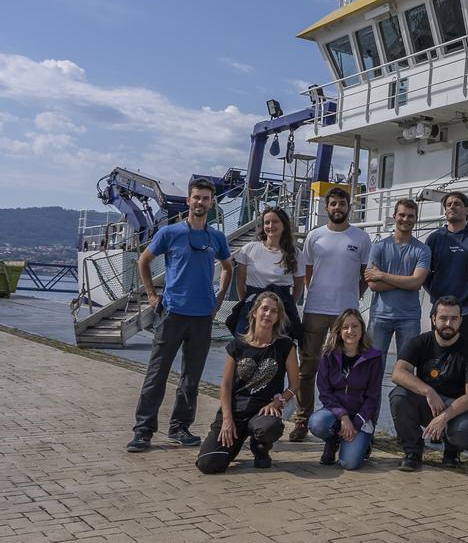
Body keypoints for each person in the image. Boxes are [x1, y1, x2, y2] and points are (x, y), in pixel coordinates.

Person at [127, 178, 233, 453]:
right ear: (188, 200)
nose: (200, 202)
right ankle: (143, 431)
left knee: (191, 378)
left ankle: (179, 427)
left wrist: (218, 299)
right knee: (156, 374)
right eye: (196, 197)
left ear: (211, 203)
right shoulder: (170, 233)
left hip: (202, 318)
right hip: (172, 313)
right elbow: (144, 261)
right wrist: (151, 295)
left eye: (206, 198)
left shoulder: (216, 238)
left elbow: (228, 268)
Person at [290, 187, 372, 442]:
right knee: (308, 367)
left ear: (349, 206)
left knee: (344, 368)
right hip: (316, 308)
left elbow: (364, 276)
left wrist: (350, 298)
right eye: (333, 204)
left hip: (345, 313)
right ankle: (302, 420)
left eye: (342, 204)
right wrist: (319, 292)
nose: (337, 208)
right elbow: (308, 273)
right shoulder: (315, 237)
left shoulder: (361, 238)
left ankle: (344, 418)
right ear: (326, 208)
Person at [196, 292, 299, 473]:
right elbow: (226, 386)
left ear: (278, 317)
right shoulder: (237, 345)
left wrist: (278, 401)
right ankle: (232, 445)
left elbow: (294, 386)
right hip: (235, 413)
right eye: (264, 309)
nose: (268, 314)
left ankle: (260, 448)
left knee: (270, 427)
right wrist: (227, 419)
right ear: (254, 313)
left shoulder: (285, 346)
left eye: (273, 311)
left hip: (262, 412)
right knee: (208, 464)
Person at [388, 296, 468, 471]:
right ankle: (413, 452)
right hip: (428, 404)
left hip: (456, 409)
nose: (448, 323)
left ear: (461, 320)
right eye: (443, 318)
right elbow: (398, 373)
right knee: (398, 396)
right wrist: (428, 391)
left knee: (467, 430)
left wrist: (445, 416)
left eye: (454, 318)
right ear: (433, 319)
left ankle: (452, 451)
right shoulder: (420, 342)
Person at [311, 308, 383, 470]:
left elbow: (373, 396)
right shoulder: (328, 355)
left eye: (355, 326)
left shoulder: (374, 357)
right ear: (338, 331)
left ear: (362, 329)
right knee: (317, 423)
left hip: (360, 415)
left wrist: (356, 423)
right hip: (335, 412)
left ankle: (364, 442)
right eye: (345, 327)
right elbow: (324, 392)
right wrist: (343, 416)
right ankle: (333, 441)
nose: (350, 331)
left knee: (349, 464)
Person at [365, 198, 431, 366]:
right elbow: (373, 285)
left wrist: (382, 275)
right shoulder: (378, 247)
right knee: (373, 368)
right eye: (402, 215)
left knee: (407, 369)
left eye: (410, 216)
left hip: (409, 317)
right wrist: (406, 281)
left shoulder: (422, 250)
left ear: (416, 219)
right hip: (380, 316)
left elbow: (416, 283)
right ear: (394, 216)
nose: (406, 219)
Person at [228, 206, 304, 339]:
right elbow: (240, 282)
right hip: (253, 305)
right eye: (267, 222)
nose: (271, 226)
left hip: (281, 307)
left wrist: (286, 304)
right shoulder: (249, 249)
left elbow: (298, 286)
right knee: (242, 343)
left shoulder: (296, 254)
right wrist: (249, 303)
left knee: (279, 349)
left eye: (275, 222)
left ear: (284, 225)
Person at [422, 191, 468, 342]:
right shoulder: (434, 238)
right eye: (448, 204)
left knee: (464, 357)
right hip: (440, 309)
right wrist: (436, 292)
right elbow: (425, 274)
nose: (452, 207)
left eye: (457, 204)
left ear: (467, 210)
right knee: (439, 354)